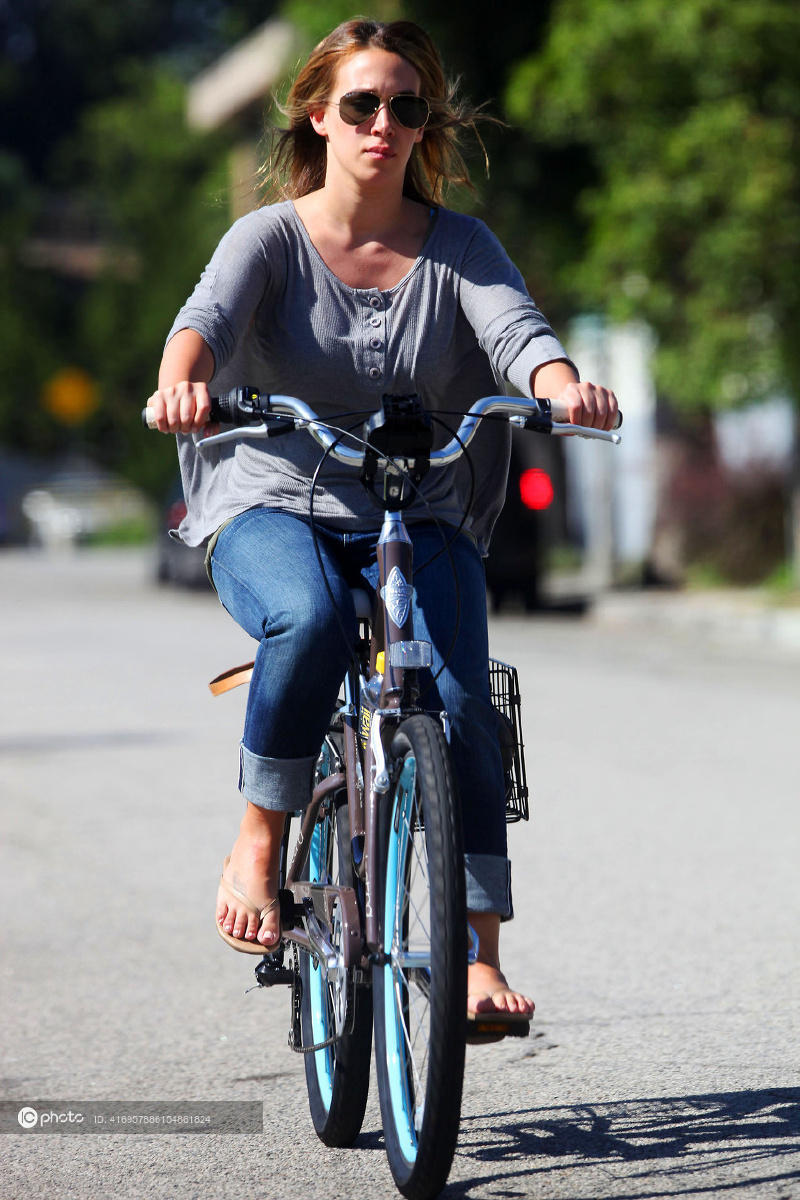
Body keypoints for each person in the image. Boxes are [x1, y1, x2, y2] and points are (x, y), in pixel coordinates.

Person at [146, 18, 617, 1024]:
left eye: (406, 107)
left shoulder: (458, 246)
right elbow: (203, 328)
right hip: (274, 500)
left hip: (417, 505)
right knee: (309, 620)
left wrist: (562, 387)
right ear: (316, 115)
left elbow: (516, 333)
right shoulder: (268, 239)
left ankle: (476, 955)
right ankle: (259, 842)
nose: (383, 124)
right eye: (361, 103)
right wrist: (181, 389)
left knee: (462, 707)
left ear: (423, 126)